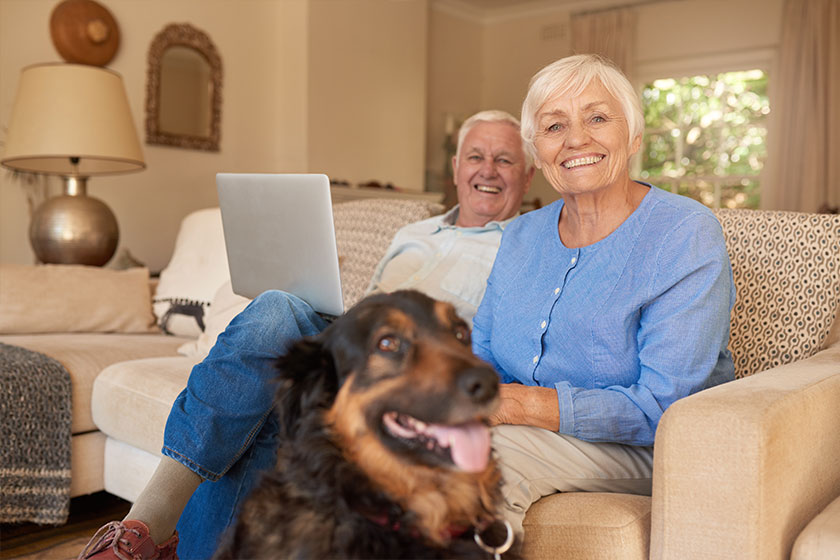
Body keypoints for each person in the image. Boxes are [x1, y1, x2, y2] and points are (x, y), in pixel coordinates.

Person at [78, 109, 535, 560]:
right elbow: (364, 309)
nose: (487, 171)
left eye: (505, 160)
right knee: (278, 311)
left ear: (529, 174)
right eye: (476, 156)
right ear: (456, 168)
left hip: (408, 369)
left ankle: (143, 532)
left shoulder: (527, 245)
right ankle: (146, 523)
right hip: (353, 344)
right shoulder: (414, 232)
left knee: (274, 341)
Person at [471, 54, 736, 538]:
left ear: (633, 137)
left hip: (648, 447)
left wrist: (518, 407)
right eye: (554, 126)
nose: (576, 139)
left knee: (483, 459)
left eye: (597, 118)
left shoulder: (683, 233)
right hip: (528, 431)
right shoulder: (521, 236)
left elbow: (666, 404)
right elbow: (482, 354)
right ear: (537, 150)